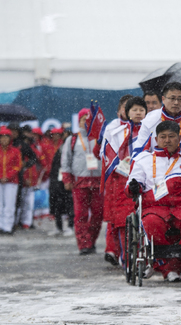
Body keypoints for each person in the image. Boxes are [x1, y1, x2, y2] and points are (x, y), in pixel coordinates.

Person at [125, 121, 181, 282]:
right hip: (154, 207)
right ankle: (165, 265)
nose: (167, 140)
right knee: (151, 223)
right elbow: (131, 186)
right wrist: (134, 187)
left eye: (171, 136)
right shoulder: (143, 160)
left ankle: (178, 263)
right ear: (156, 139)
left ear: (179, 138)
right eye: (163, 137)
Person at [105, 96, 146, 267]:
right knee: (124, 222)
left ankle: (143, 258)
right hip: (123, 181)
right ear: (127, 113)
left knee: (143, 220)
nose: (138, 113)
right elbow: (108, 156)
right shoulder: (116, 131)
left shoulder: (150, 131)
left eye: (141, 110)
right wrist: (121, 166)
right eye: (134, 110)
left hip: (144, 179)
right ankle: (127, 259)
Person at [97, 94, 133, 265]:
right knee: (115, 218)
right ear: (119, 110)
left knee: (128, 218)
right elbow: (103, 153)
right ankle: (113, 250)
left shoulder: (144, 126)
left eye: (132, 107)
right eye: (125, 107)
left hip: (135, 177)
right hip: (116, 177)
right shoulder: (113, 127)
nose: (128, 111)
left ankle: (128, 253)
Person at [61, 108, 103, 255]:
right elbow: (65, 161)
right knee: (81, 215)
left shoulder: (100, 138)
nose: (86, 122)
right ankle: (84, 244)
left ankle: (90, 240)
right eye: (83, 119)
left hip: (98, 182)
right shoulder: (72, 140)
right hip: (79, 183)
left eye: (89, 119)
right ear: (78, 122)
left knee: (98, 214)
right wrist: (67, 179)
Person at [132, 82, 181, 159]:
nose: (176, 102)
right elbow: (139, 152)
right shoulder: (149, 120)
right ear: (163, 99)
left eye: (180, 99)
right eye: (172, 98)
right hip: (153, 167)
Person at [0, 127, 22, 234]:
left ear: (10, 139)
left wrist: (8, 176)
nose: (4, 140)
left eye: (6, 138)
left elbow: (17, 166)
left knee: (9, 204)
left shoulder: (15, 151)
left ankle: (7, 226)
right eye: (1, 138)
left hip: (11, 182)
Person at [48, 131, 74, 237]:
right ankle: (59, 227)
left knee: (69, 203)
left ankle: (70, 226)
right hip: (58, 180)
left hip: (68, 179)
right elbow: (55, 166)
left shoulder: (73, 148)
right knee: (57, 203)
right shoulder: (60, 149)